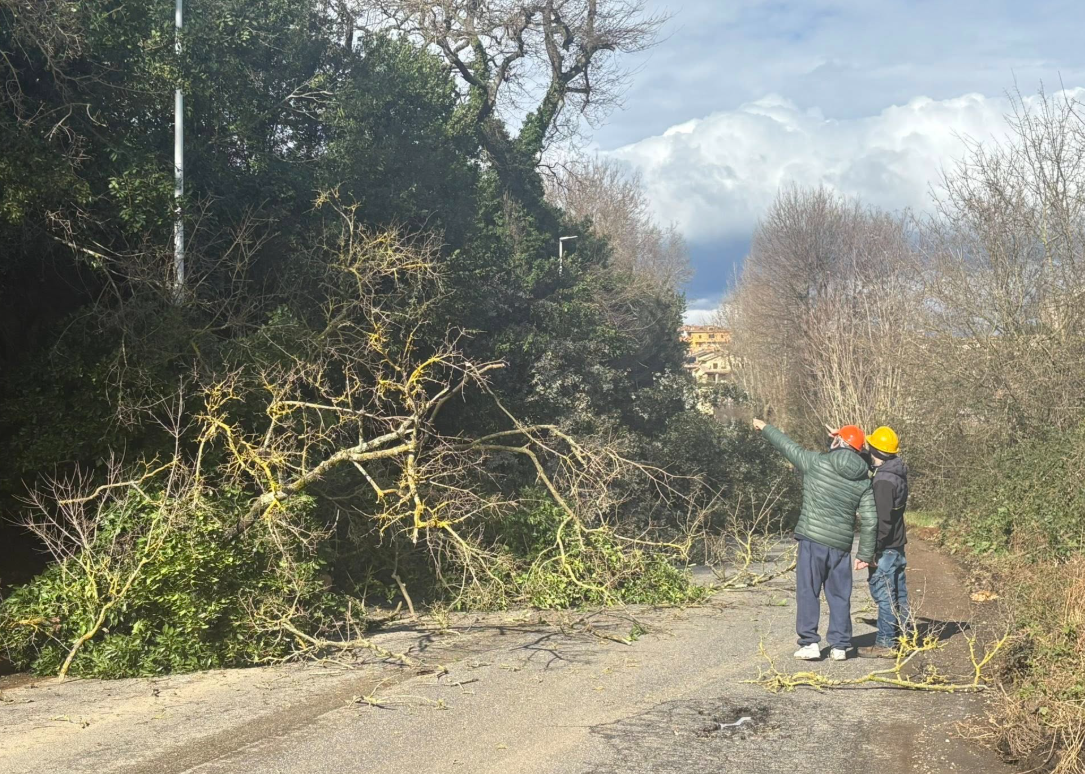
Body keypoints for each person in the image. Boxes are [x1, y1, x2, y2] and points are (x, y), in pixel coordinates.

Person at [752, 419, 878, 660]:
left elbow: (788, 447)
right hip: (840, 546)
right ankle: (840, 646)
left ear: (838, 441)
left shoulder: (816, 462)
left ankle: (810, 643)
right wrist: (864, 554)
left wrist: (766, 427)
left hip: (812, 540)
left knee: (808, 591)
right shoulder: (864, 480)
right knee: (839, 595)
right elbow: (871, 520)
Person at [863, 425, 911, 657]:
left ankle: (884, 644)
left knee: (884, 596)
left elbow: (881, 522)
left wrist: (872, 552)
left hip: (886, 548)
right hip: (897, 546)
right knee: (899, 594)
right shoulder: (897, 473)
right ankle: (904, 636)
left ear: (876, 452)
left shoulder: (882, 482)